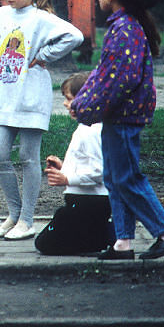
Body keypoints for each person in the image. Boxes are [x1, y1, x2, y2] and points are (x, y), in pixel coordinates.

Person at [71, 0, 164, 261]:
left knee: (127, 178)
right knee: (114, 178)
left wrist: (86, 106)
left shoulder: (123, 30)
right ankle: (123, 242)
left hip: (124, 117)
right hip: (120, 116)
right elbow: (105, 73)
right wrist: (85, 101)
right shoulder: (124, 26)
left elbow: (117, 79)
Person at [0, 0, 84, 240]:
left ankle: (27, 220)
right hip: (4, 98)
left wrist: (45, 55)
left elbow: (74, 36)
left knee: (29, 157)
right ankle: (13, 214)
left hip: (30, 98)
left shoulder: (40, 18)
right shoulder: (2, 14)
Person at [34, 72, 115, 255]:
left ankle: (104, 236)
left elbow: (100, 172)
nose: (65, 103)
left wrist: (67, 178)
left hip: (91, 201)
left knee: (44, 244)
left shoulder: (90, 131)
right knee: (57, 225)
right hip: (86, 201)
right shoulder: (88, 127)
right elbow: (88, 165)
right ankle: (99, 235)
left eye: (69, 99)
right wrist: (63, 167)